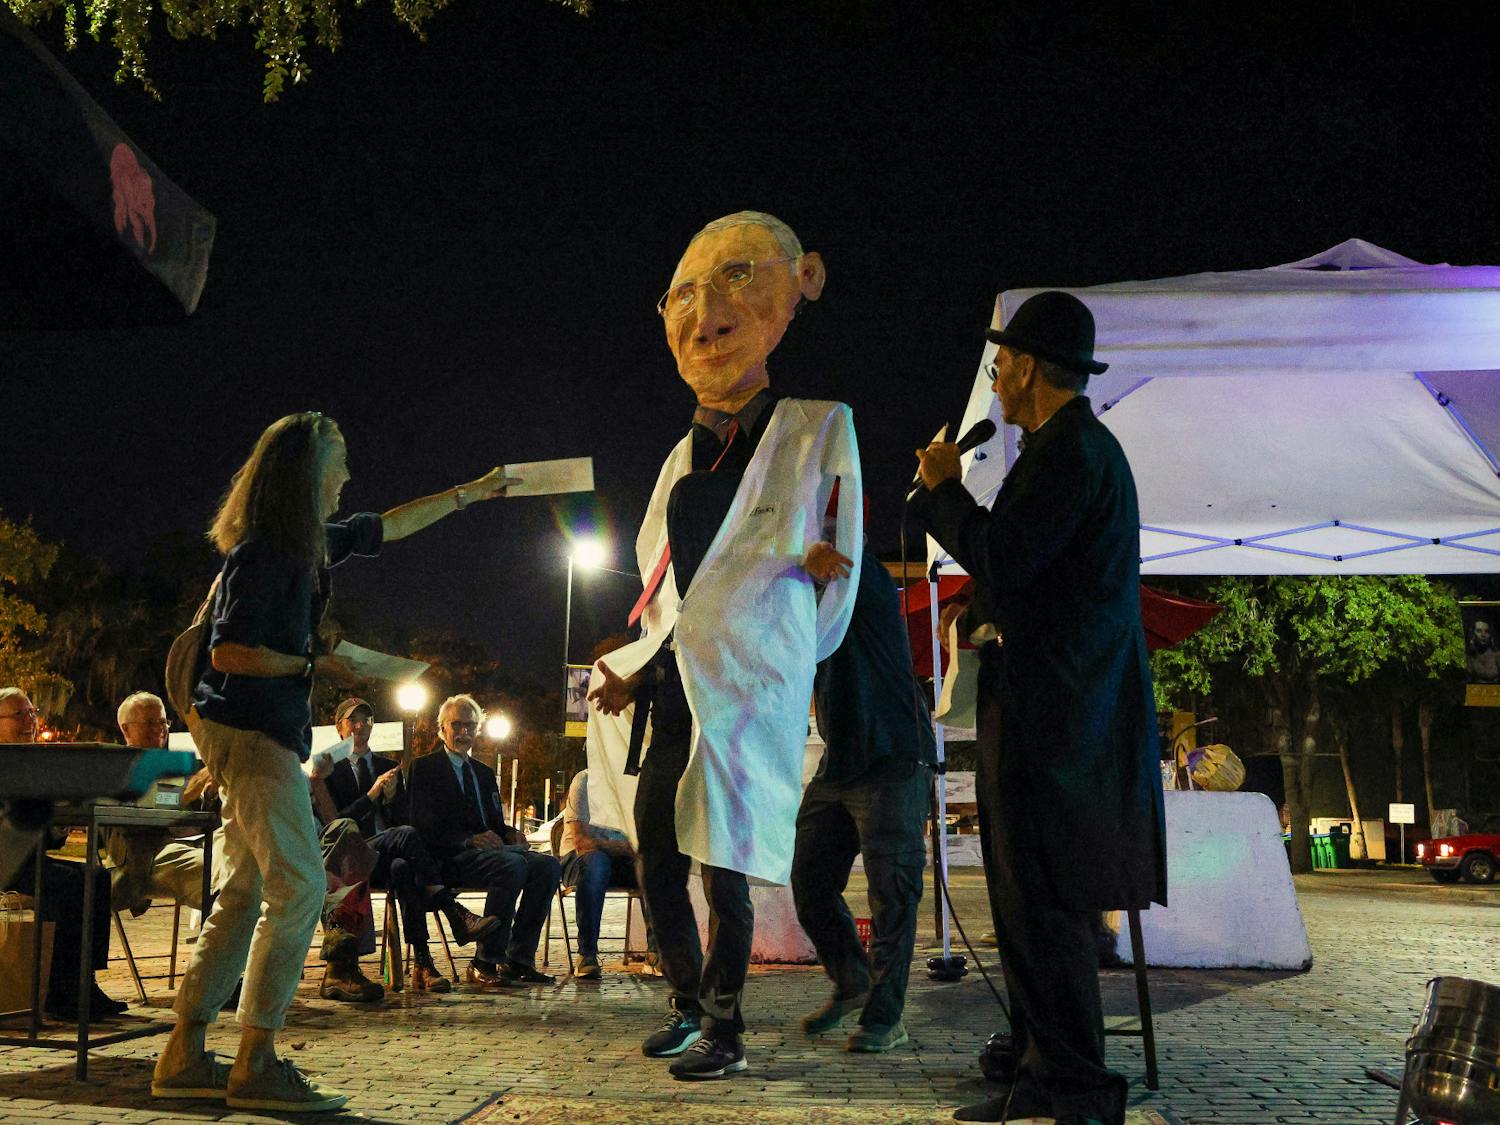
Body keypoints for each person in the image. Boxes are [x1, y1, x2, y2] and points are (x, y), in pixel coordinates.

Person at [151, 412, 513, 1113]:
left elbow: (391, 526)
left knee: (247, 893)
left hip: (254, 736)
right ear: (307, 472)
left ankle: (184, 1052)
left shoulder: (306, 545)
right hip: (254, 736)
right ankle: (256, 1058)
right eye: (339, 461)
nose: (348, 476)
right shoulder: (266, 554)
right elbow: (229, 653)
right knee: (300, 886)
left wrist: (471, 492)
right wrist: (322, 659)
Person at [588, 211, 862, 1080]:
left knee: (727, 863)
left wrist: (785, 633)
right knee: (658, 857)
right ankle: (684, 999)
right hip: (675, 695)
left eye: (739, 275)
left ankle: (726, 1024)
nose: (706, 309)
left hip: (746, 689)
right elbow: (669, 594)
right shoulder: (679, 457)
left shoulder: (818, 427)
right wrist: (638, 673)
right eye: (681, 294)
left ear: (802, 283)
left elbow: (837, 590)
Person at [910, 291, 1166, 1125]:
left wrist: (947, 492)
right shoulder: (1065, 452)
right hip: (1048, 715)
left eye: (1000, 360)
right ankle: (1036, 1075)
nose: (992, 375)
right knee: (1026, 908)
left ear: (1025, 365)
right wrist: (983, 607)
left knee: (1048, 911)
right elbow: (1035, 577)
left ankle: (1079, 1093)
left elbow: (1008, 553)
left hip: (1061, 726)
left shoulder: (1072, 452)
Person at [790, 540, 935, 1055]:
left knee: (891, 896)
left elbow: (846, 571)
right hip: (842, 763)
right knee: (808, 881)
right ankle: (853, 978)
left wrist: (825, 567)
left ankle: (885, 1017)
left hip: (894, 757)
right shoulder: (806, 597)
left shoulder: (863, 576)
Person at [322, 696, 497, 992]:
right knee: (405, 838)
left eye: (366, 720)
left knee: (405, 865)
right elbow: (335, 824)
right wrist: (372, 796)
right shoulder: (329, 769)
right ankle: (452, 912)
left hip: (387, 854)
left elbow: (403, 820)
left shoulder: (387, 766)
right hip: (350, 857)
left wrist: (390, 800)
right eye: (353, 720)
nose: (360, 726)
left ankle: (423, 964)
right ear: (339, 727)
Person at [406, 694, 560, 988]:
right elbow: (420, 826)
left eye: (469, 726)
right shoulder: (425, 768)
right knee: (511, 865)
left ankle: (518, 960)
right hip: (449, 857)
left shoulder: (484, 773)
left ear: (478, 730)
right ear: (441, 729)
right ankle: (485, 960)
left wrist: (510, 833)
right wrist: (468, 840)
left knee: (548, 867)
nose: (463, 732)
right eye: (456, 725)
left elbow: (490, 822)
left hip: (489, 854)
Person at [0, 687, 125, 1021]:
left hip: (26, 860)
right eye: (18, 715)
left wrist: (57, 826)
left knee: (96, 877)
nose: (29, 721)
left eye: (32, 712)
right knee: (68, 886)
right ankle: (61, 989)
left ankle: (84, 980)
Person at [107, 691, 218, 915]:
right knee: (218, 875)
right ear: (125, 728)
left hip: (196, 844)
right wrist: (179, 800)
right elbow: (125, 820)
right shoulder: (114, 768)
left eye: (162, 721)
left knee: (245, 864)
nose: (159, 728)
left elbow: (203, 813)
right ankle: (223, 944)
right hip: (148, 854)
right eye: (150, 722)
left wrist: (210, 794)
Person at [557, 768, 638, 979]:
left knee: (653, 867)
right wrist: (620, 847)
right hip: (579, 860)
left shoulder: (632, 783)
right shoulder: (585, 781)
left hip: (617, 859)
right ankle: (587, 953)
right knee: (596, 862)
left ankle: (658, 952)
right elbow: (581, 843)